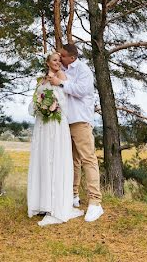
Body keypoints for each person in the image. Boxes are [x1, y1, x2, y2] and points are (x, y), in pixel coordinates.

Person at [26, 52, 84, 225]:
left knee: (55, 159)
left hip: (57, 124)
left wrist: (54, 107)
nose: (58, 63)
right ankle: (43, 203)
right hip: (43, 125)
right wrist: (41, 106)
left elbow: (65, 99)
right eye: (54, 60)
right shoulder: (42, 80)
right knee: (43, 159)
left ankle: (56, 204)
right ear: (48, 62)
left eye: (60, 60)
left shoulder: (61, 76)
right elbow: (35, 100)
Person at [50, 43, 104, 222]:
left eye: (63, 55)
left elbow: (81, 91)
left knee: (88, 159)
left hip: (80, 120)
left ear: (72, 57)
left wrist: (61, 83)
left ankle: (95, 202)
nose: (61, 57)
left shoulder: (83, 71)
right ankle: (73, 195)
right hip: (65, 122)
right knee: (72, 161)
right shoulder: (61, 67)